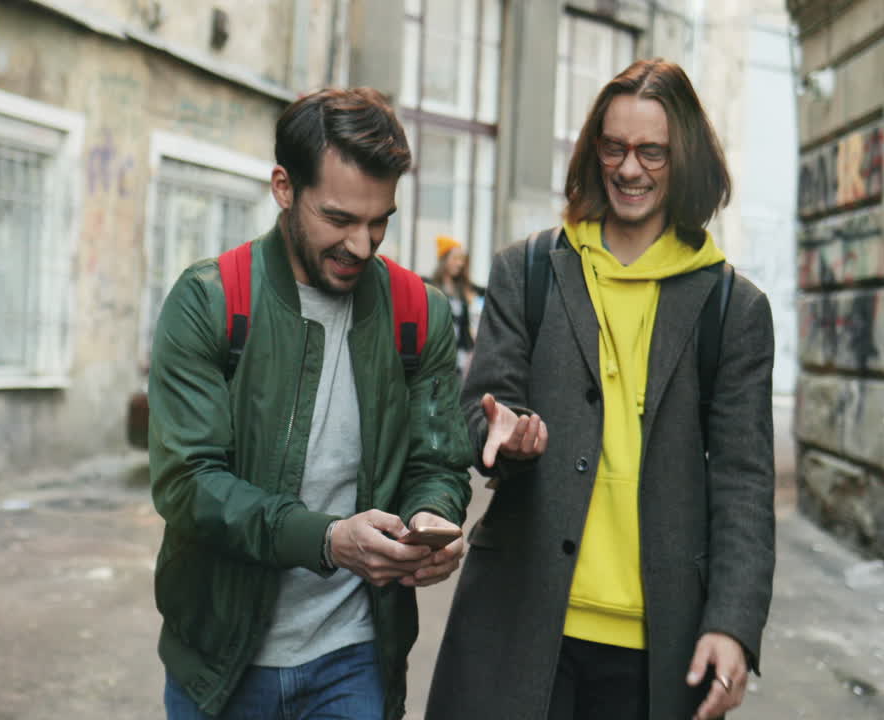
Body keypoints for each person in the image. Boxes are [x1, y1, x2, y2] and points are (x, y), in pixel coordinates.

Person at [426, 58, 776, 720]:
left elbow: (744, 483)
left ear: (685, 159)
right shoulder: (526, 271)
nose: (629, 168)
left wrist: (732, 623)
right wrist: (503, 434)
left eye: (652, 152)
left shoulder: (733, 309)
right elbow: (482, 407)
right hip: (523, 618)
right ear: (594, 150)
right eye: (613, 147)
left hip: (658, 644)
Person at [148, 88, 473, 720]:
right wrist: (327, 539)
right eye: (339, 218)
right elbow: (188, 485)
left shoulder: (418, 313)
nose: (362, 243)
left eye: (379, 219)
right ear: (283, 187)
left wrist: (431, 522)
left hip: (355, 661)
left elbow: (438, 462)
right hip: (220, 664)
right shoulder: (209, 301)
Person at [427, 236, 485, 374]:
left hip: (461, 358)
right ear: (444, 259)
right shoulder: (431, 288)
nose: (460, 264)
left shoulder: (466, 289)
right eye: (455, 258)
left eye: (462, 260)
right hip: (438, 356)